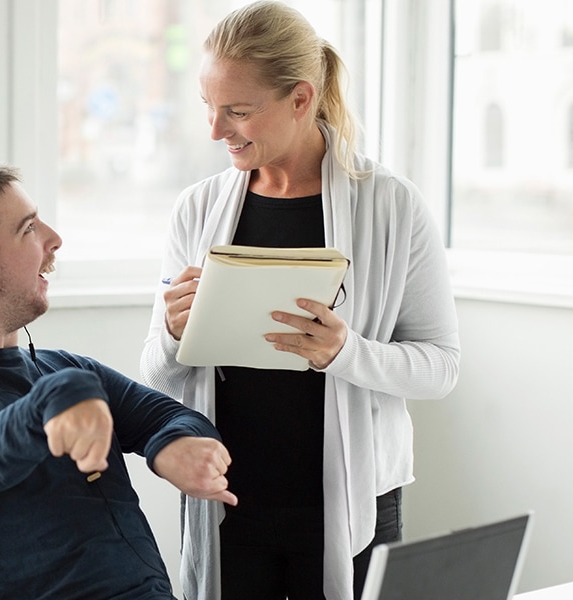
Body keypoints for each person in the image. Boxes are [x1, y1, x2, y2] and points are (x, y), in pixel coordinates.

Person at [138, 2, 461, 600]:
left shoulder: (391, 206)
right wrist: (172, 334)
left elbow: (441, 367)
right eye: (208, 107)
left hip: (352, 499)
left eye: (237, 111)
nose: (215, 130)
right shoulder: (196, 209)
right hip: (230, 500)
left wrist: (346, 352)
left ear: (301, 98)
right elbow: (156, 376)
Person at [0, 161, 237, 599]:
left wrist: (169, 444)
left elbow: (167, 416)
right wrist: (63, 396)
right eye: (28, 228)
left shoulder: (64, 368)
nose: (54, 239)